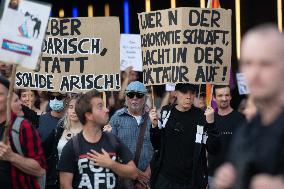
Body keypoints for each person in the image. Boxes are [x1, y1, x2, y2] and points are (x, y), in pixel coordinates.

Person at [214, 24, 284, 189]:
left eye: (265, 63)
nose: (254, 72)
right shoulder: (246, 130)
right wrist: (229, 178)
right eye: (248, 63)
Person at [58, 89, 138, 189]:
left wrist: (111, 164)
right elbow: (65, 185)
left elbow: (134, 173)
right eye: (100, 107)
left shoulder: (113, 141)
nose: (107, 110)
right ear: (89, 115)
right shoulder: (72, 146)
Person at [149, 83, 220, 189]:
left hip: (191, 181)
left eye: (192, 93)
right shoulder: (166, 112)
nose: (188, 96)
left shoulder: (201, 116)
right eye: (184, 92)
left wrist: (211, 124)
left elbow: (214, 148)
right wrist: (154, 126)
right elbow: (157, 145)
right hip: (165, 179)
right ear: (175, 93)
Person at [0, 76, 46, 189]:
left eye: (0, 94)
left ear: (8, 97)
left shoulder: (22, 127)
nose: (21, 102)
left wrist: (11, 157)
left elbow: (40, 170)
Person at [109, 81, 154, 188]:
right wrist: (136, 173)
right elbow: (113, 150)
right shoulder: (116, 118)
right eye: (130, 95)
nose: (134, 98)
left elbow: (159, 148)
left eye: (139, 95)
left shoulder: (153, 119)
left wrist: (148, 172)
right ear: (126, 97)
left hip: (149, 177)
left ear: (145, 98)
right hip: (124, 177)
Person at [207, 85, 246, 189]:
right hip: (213, 175)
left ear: (231, 97)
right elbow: (206, 148)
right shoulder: (210, 118)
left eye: (227, 95)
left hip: (235, 176)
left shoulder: (241, 118)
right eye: (220, 95)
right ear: (214, 98)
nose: (224, 98)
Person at [43, 96, 82, 189]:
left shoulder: (91, 132)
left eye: (78, 108)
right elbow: (43, 151)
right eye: (71, 107)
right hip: (56, 181)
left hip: (79, 181)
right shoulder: (59, 130)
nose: (73, 111)